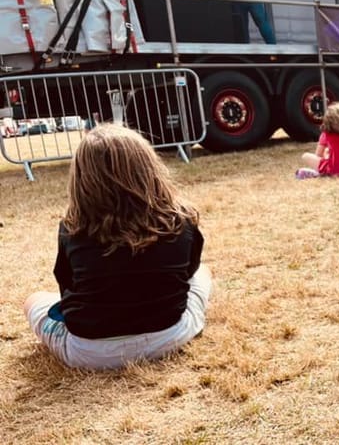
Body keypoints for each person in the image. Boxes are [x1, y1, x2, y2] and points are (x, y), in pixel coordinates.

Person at [22, 125, 212, 369]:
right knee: (204, 273)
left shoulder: (72, 228)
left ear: (81, 179)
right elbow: (189, 273)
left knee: (33, 299)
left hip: (89, 351)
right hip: (168, 335)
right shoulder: (181, 220)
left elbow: (67, 285)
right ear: (149, 168)